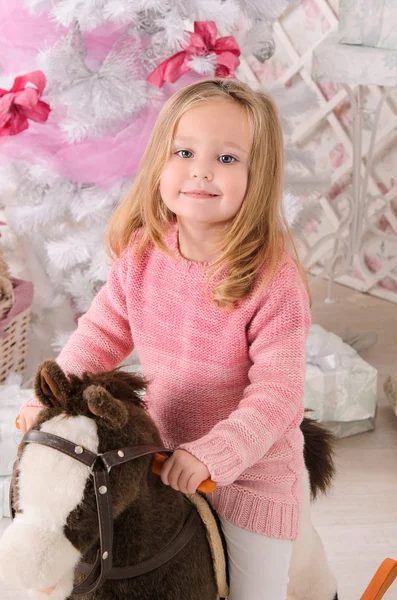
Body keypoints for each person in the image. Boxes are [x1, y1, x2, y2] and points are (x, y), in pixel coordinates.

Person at [18, 77, 311, 600]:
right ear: (160, 162)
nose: (200, 169)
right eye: (184, 151)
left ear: (257, 175)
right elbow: (100, 334)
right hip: (157, 455)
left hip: (247, 475)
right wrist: (55, 398)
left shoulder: (272, 279)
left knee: (256, 591)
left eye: (227, 159)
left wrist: (213, 455)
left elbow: (278, 393)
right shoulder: (143, 253)